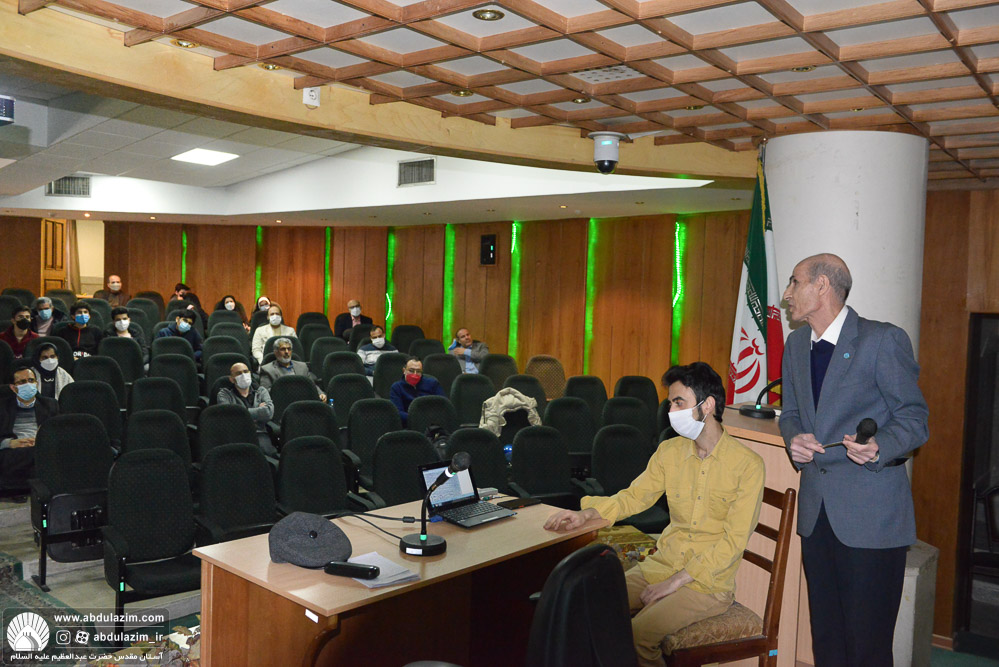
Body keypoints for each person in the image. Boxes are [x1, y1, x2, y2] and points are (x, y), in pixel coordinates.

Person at [544, 362, 765, 667]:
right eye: (670, 403)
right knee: (588, 607)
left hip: (707, 584)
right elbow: (635, 496)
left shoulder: (748, 465)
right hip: (661, 565)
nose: (671, 411)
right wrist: (589, 513)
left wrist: (675, 582)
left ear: (708, 405)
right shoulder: (669, 452)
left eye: (679, 403)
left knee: (637, 636)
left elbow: (733, 543)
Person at [779, 253, 929, 667]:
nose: (787, 293)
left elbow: (914, 419)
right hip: (816, 515)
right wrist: (795, 440)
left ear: (822, 286)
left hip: (871, 518)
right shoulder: (796, 345)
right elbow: (790, 414)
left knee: (867, 647)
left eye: (795, 282)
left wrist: (879, 445)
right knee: (827, 640)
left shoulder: (881, 340)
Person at [0, 362, 60, 493]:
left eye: (31, 380)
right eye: (22, 382)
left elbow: (59, 433)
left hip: (40, 447)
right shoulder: (2, 407)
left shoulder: (50, 405)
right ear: (13, 387)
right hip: (13, 451)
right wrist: (9, 443)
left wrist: (42, 439)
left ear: (36, 383)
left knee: (45, 453)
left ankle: (16, 487)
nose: (28, 384)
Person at [216, 361, 276, 455]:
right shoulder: (224, 394)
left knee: (267, 456)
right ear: (232, 379)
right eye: (239, 373)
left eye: (245, 371)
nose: (243, 375)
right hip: (235, 434)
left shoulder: (261, 391)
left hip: (259, 432)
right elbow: (230, 417)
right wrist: (258, 411)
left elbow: (268, 413)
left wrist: (240, 411)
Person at [259, 337, 326, 401]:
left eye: (289, 349)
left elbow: (312, 385)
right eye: (283, 349)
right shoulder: (267, 370)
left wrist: (320, 393)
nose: (286, 352)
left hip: (303, 400)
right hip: (281, 402)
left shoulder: (302, 366)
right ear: (276, 352)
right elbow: (265, 392)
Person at [388, 357, 444, 426]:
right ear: (404, 371)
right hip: (409, 424)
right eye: (411, 371)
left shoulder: (433, 383)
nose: (415, 374)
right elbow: (398, 413)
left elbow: (442, 405)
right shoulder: (397, 387)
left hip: (433, 424)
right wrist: (419, 419)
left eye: (418, 371)